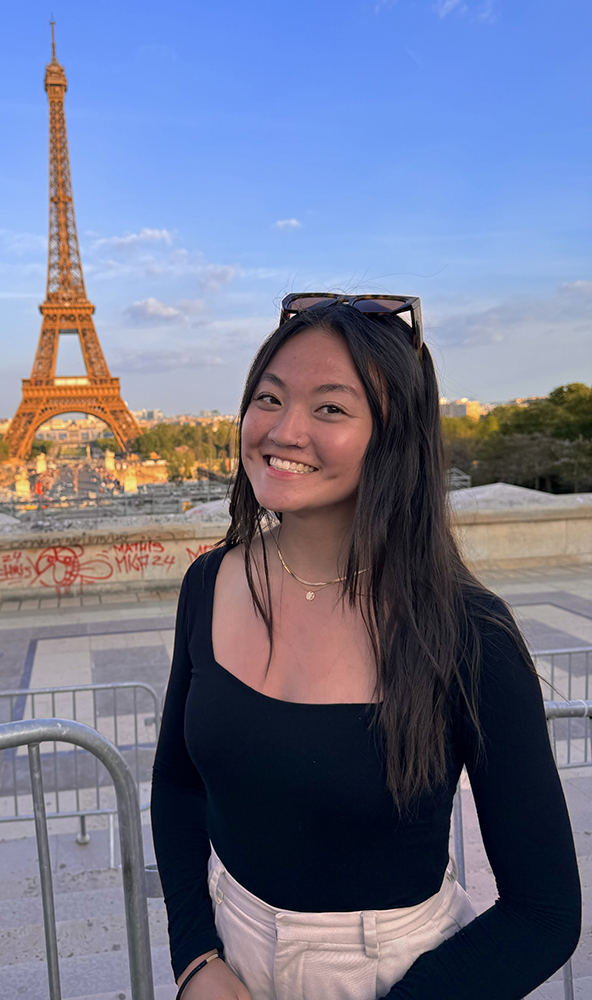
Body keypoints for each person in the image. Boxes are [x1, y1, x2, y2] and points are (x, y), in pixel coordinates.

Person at [150, 294, 581, 1000]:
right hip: (229, 955)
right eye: (269, 397)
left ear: (395, 436)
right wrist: (196, 955)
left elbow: (546, 913)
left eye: (330, 408)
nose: (284, 431)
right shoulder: (209, 582)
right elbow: (177, 784)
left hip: (397, 976)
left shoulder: (469, 633)